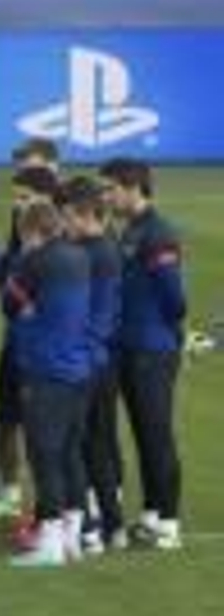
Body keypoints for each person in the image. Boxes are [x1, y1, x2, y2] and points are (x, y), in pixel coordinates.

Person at [102, 158, 186, 550]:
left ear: (133, 188)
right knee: (142, 434)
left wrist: (165, 331)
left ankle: (169, 522)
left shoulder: (157, 233)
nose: (106, 197)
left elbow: (175, 298)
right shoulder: (133, 229)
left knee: (156, 435)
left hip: (152, 351)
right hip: (132, 346)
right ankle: (152, 513)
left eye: (110, 189)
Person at [4, 201, 94, 568]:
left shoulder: (34, 261)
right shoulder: (80, 256)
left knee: (45, 454)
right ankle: (73, 539)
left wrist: (29, 308)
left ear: (30, 231)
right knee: (71, 452)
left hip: (46, 370)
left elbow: (10, 304)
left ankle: (51, 544)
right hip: (78, 367)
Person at [60, 176, 123, 554]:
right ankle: (111, 524)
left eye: (68, 217)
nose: (64, 225)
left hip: (86, 360)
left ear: (85, 215)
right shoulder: (104, 249)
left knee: (76, 445)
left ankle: (88, 529)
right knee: (97, 444)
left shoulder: (90, 255)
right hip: (100, 359)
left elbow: (90, 312)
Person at [0, 166, 61, 520]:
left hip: (43, 354)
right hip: (15, 343)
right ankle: (10, 495)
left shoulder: (59, 249)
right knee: (6, 419)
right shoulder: (18, 233)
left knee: (42, 432)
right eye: (15, 198)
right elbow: (4, 277)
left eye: (24, 197)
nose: (17, 204)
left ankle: (49, 507)